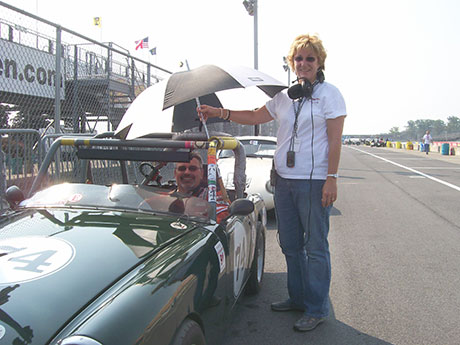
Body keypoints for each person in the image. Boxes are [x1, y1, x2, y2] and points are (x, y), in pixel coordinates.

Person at [198, 33, 346, 332]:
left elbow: (334, 140)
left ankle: (316, 307)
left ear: (319, 63)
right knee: (290, 245)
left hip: (314, 181)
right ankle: (297, 297)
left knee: (315, 246)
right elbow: (254, 116)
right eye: (298, 59)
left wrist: (331, 178)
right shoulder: (283, 96)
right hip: (284, 181)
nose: (303, 63)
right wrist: (219, 112)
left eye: (309, 58)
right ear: (292, 63)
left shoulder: (330, 94)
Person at [173, 151, 229, 222]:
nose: (187, 172)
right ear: (175, 173)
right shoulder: (163, 197)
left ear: (202, 173)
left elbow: (223, 218)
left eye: (192, 168)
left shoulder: (213, 197)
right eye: (182, 168)